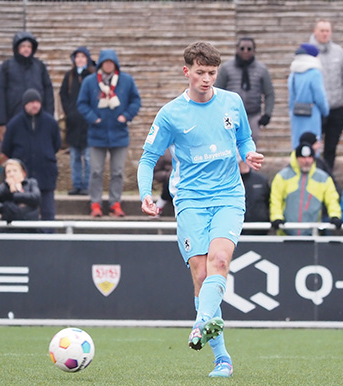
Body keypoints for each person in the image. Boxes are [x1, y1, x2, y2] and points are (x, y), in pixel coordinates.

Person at [137, 41, 264, 378]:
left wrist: (249, 153)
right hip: (191, 200)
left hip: (228, 196)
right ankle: (221, 357)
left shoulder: (232, 102)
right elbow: (148, 158)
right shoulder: (171, 113)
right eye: (200, 72)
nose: (206, 79)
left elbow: (244, 139)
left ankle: (200, 325)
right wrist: (144, 194)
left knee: (219, 261)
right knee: (201, 275)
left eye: (211, 72)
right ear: (187, 72)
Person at [77, 49, 141, 217]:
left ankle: (115, 203)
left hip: (119, 134)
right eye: (105, 62)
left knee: (117, 172)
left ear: (115, 64)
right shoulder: (90, 82)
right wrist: (93, 119)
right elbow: (82, 104)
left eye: (111, 63)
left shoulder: (126, 81)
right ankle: (96, 203)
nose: (108, 65)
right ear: (100, 64)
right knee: (96, 171)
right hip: (96, 135)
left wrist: (125, 116)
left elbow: (135, 100)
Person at [1, 88, 61, 223]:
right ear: (24, 105)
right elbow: (6, 148)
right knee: (22, 212)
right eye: (31, 102)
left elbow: (56, 144)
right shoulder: (14, 124)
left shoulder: (50, 123)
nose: (35, 105)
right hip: (22, 178)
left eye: (37, 102)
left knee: (47, 212)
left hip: (45, 173)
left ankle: (48, 240)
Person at [270, 142, 341, 236]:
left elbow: (332, 199)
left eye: (310, 157)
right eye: (303, 158)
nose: (307, 161)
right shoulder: (282, 176)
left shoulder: (323, 178)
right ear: (296, 158)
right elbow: (275, 200)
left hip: (313, 234)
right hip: (286, 234)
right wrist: (276, 217)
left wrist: (335, 216)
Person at [214, 37, 275, 144]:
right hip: (231, 113)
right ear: (237, 49)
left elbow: (269, 93)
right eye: (242, 48)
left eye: (249, 48)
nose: (245, 51)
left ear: (254, 50)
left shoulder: (261, 70)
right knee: (230, 141)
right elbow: (217, 91)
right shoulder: (226, 68)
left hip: (253, 114)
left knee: (251, 141)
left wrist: (267, 114)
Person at [0, 31, 54, 127]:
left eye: (29, 47)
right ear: (17, 48)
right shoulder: (7, 67)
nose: (26, 49)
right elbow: (0, 91)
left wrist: (49, 114)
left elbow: (48, 90)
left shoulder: (39, 66)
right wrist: (2, 118)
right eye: (23, 46)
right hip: (14, 114)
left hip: (37, 116)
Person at [309, 20, 343, 170]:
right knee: (313, 145)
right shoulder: (308, 51)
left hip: (336, 106)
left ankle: (328, 175)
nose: (325, 33)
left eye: (327, 30)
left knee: (331, 146)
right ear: (315, 31)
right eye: (322, 30)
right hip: (316, 109)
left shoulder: (339, 51)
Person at [60, 46, 96, 195]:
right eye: (77, 57)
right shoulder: (70, 76)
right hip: (73, 124)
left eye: (83, 57)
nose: (80, 60)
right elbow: (63, 95)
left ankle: (87, 186)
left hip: (88, 124)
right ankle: (77, 185)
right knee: (74, 157)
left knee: (88, 158)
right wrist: (69, 112)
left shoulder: (92, 76)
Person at [288, 43, 330, 150]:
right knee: (313, 145)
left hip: (296, 114)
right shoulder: (314, 73)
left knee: (298, 145)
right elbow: (320, 96)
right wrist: (325, 111)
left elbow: (291, 98)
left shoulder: (293, 73)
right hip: (312, 115)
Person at [0, 158, 41, 232]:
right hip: (10, 229)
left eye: (15, 171)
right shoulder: (3, 188)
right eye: (8, 172)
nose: (11, 174)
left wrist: (13, 195)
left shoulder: (31, 183)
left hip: (31, 228)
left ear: (23, 173)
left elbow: (36, 197)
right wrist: (2, 208)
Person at [238, 154, 270, 235]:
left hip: (260, 232)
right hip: (235, 233)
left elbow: (269, 202)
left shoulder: (261, 180)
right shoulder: (227, 182)